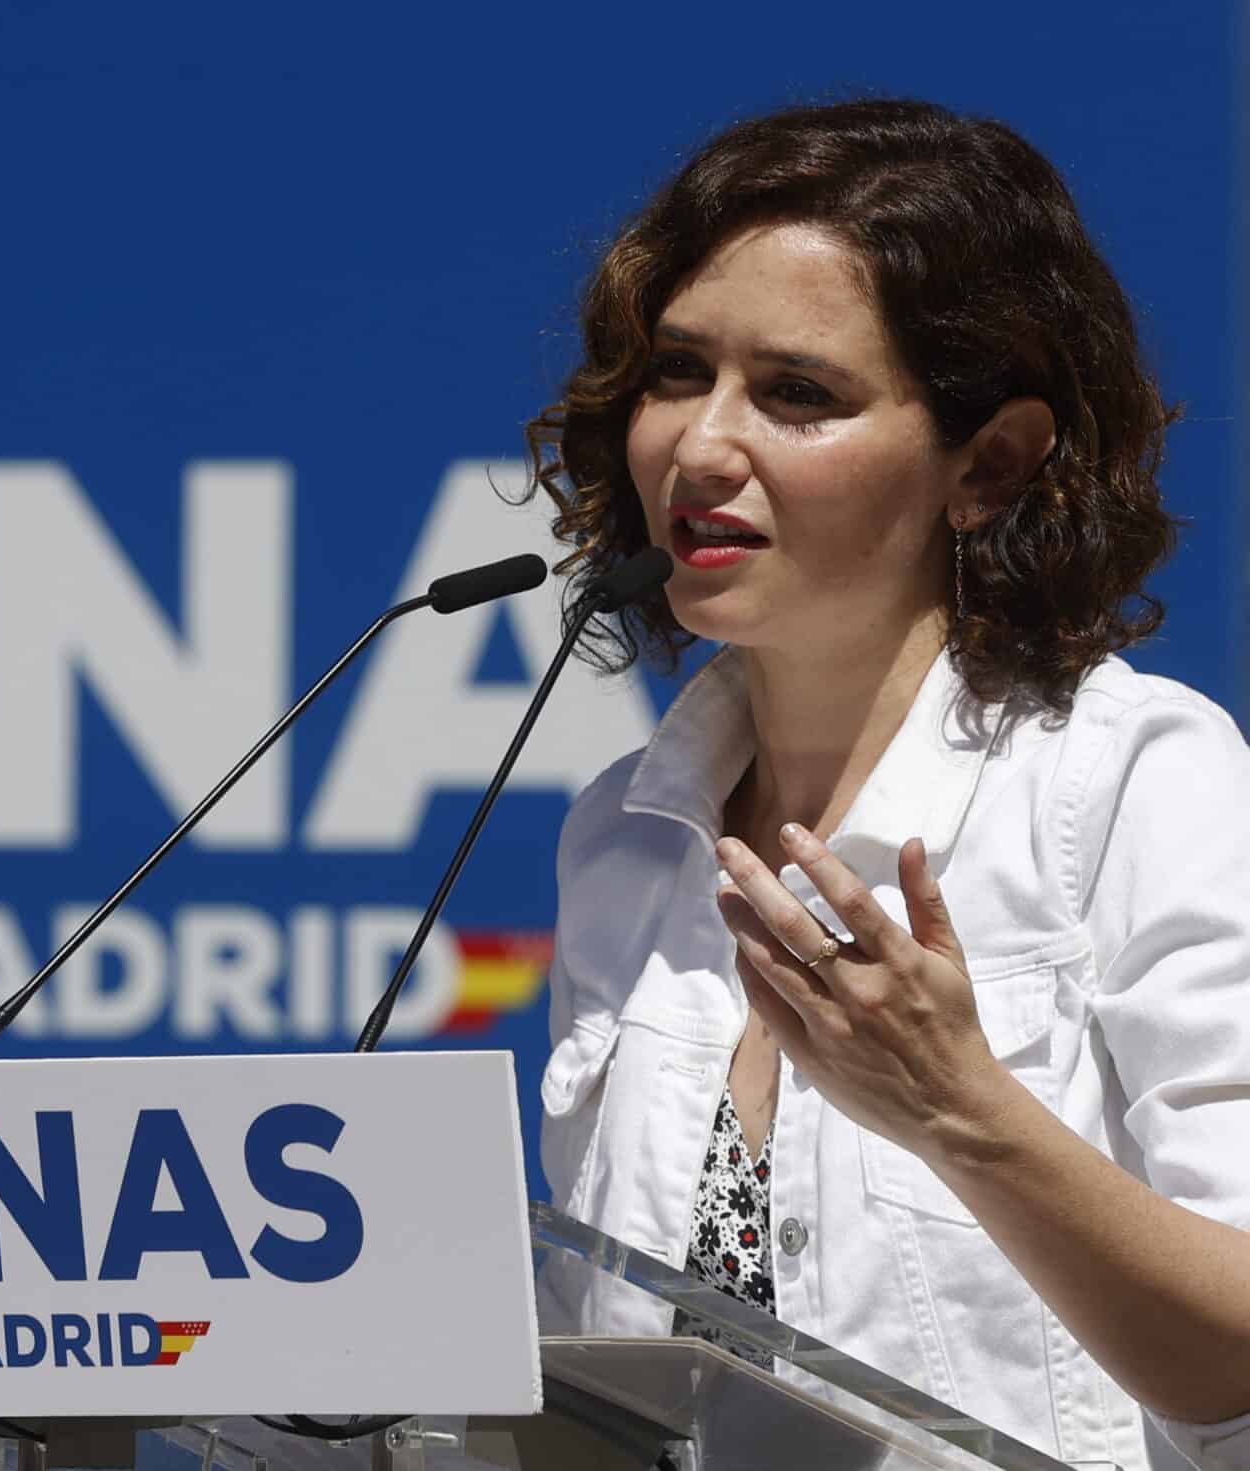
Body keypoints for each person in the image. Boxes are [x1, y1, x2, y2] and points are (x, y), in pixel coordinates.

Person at [527, 98, 1250, 1471]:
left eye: (798, 394)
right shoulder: (621, 838)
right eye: (679, 373)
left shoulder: (1137, 786)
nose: (699, 447)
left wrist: (956, 1110)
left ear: (990, 463)